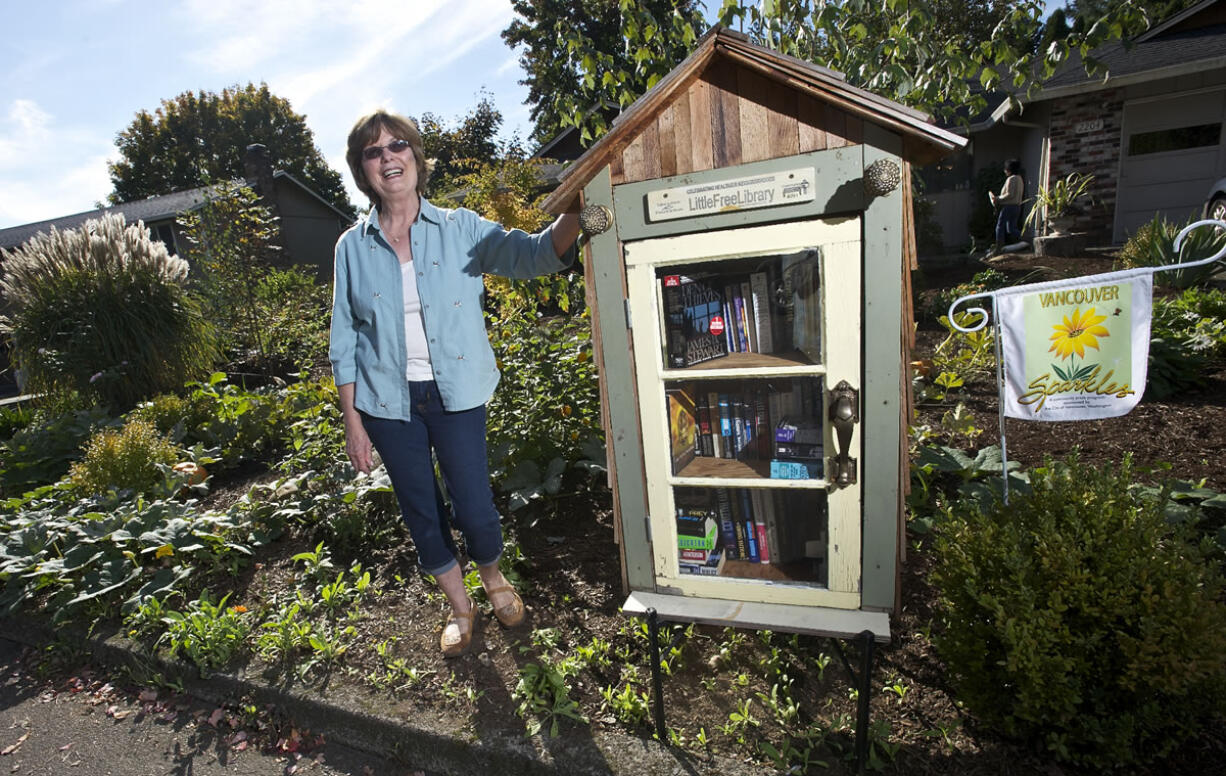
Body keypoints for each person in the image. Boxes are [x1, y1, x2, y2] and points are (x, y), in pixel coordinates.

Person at [329, 110, 580, 658]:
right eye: (374, 152)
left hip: (457, 392)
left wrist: (576, 207)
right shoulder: (352, 247)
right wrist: (353, 421)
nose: (388, 158)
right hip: (388, 404)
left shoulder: (461, 228)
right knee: (421, 507)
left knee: (473, 502)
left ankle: (494, 581)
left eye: (398, 146)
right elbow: (343, 339)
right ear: (362, 169)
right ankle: (460, 608)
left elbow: (533, 254)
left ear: (415, 156)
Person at [989, 159, 1025, 252]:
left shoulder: (1011, 179)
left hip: (1009, 206)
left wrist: (997, 199)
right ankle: (1024, 241)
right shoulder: (1020, 178)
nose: (1005, 171)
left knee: (1000, 226)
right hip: (1017, 206)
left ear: (1009, 169)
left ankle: (999, 246)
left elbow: (1010, 194)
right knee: (1011, 228)